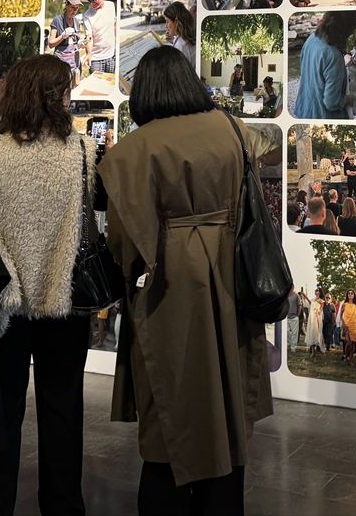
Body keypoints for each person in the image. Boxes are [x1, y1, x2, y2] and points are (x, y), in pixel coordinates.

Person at [97, 45, 271, 514]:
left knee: (169, 410)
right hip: (234, 282)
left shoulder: (136, 149)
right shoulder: (232, 130)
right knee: (227, 405)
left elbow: (122, 240)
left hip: (170, 290)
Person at [0, 53, 97, 514]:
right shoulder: (85, 152)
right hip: (64, 305)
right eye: (66, 89)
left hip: (5, 308)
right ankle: (63, 507)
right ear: (55, 97)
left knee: (1, 414)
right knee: (63, 410)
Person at [294, 10, 356, 119]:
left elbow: (310, 71)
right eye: (353, 28)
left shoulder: (312, 39)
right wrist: (350, 99)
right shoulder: (334, 55)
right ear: (345, 28)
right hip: (322, 116)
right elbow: (331, 103)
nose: (353, 32)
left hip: (304, 108)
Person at [82, 0, 117, 74]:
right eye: (90, 0)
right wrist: (88, 54)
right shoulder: (87, 15)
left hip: (111, 56)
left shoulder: (111, 6)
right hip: (96, 60)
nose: (92, 3)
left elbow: (114, 26)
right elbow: (88, 37)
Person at [49, 0, 86, 75]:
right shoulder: (57, 20)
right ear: (66, 5)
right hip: (61, 64)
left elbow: (75, 42)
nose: (75, 11)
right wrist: (62, 36)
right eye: (73, 7)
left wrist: (81, 44)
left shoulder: (76, 21)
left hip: (75, 62)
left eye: (77, 8)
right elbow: (50, 44)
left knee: (75, 85)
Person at [163, 0, 196, 65]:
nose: (166, 25)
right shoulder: (186, 39)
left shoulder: (181, 45)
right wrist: (173, 41)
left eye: (167, 21)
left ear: (176, 22)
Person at [338, 289, 356, 362]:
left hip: (355, 326)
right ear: (347, 295)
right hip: (346, 325)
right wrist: (343, 324)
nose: (350, 294)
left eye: (352, 293)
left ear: (354, 295)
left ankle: (350, 358)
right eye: (349, 293)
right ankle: (346, 355)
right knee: (348, 342)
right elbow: (341, 315)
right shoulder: (344, 304)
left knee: (354, 343)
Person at [305, 289, 325, 354]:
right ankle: (311, 347)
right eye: (316, 291)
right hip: (311, 318)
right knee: (311, 332)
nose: (316, 293)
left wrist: (318, 312)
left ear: (320, 293)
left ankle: (315, 348)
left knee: (316, 332)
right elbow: (310, 303)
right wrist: (305, 296)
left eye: (318, 291)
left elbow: (321, 309)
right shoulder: (313, 299)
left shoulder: (321, 301)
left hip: (316, 318)